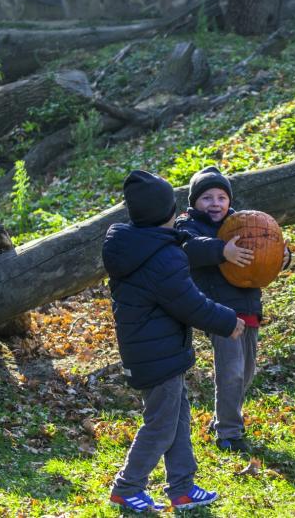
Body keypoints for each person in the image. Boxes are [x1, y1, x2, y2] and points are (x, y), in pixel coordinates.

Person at [102, 170, 245, 512]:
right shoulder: (162, 258)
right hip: (157, 355)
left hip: (160, 350)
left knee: (177, 420)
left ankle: (181, 486)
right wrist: (227, 321)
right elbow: (189, 303)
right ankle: (127, 486)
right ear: (167, 211)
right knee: (162, 426)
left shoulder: (142, 244)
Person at [175, 166, 290, 453]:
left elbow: (266, 253)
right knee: (232, 372)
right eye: (207, 198)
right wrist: (221, 250)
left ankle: (221, 419)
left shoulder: (247, 226)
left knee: (246, 371)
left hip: (248, 307)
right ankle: (229, 432)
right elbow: (188, 248)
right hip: (219, 311)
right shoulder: (189, 225)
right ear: (194, 203)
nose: (215, 203)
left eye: (221, 197)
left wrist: (282, 257)